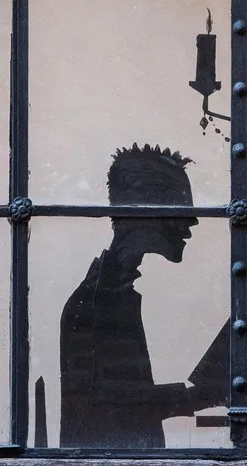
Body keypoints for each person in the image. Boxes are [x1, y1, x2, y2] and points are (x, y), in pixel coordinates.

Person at [57, 143, 212, 448]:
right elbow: (115, 403)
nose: (192, 221)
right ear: (146, 212)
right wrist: (197, 395)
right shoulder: (96, 301)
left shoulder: (107, 293)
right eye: (181, 207)